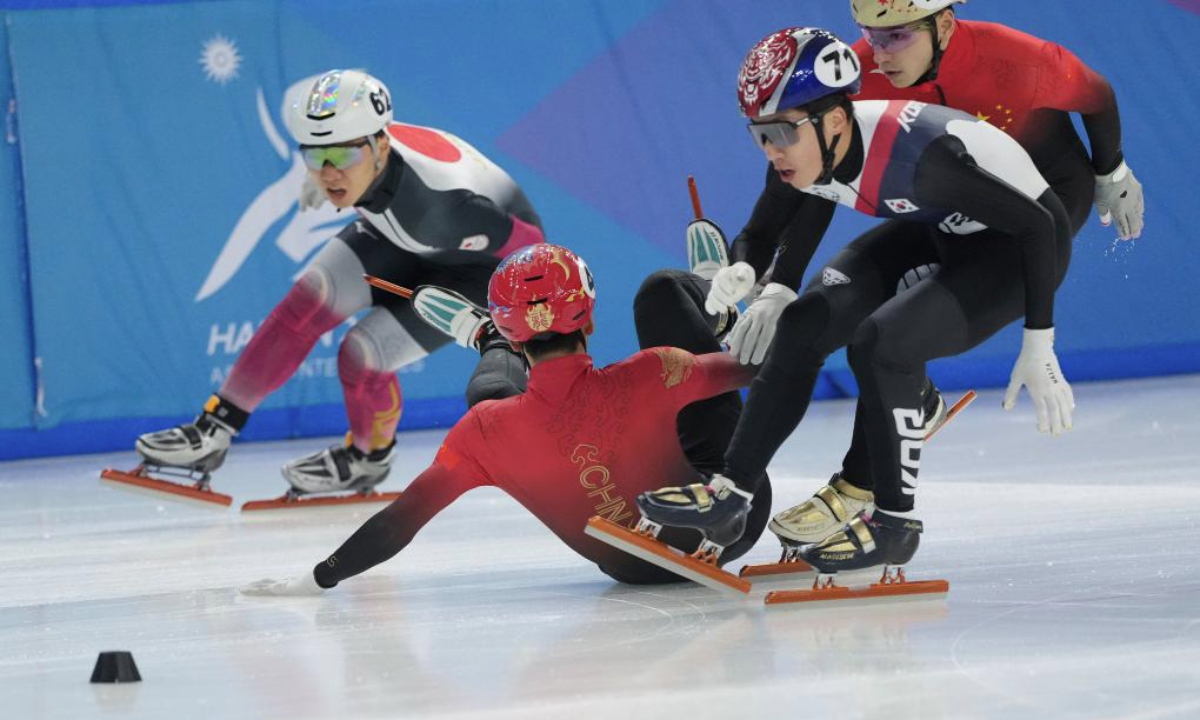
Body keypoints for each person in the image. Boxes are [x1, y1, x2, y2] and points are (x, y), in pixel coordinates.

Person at [699, 1, 1141, 556]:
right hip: (937, 209)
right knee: (814, 319)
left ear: (946, 24)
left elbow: (1096, 94)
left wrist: (1111, 170)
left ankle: (870, 492)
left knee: (884, 343)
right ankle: (733, 490)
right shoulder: (855, 71)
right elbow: (817, 175)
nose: (880, 54)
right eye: (870, 36)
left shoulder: (1015, 59)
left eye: (897, 36)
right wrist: (778, 285)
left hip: (1033, 214)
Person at [639, 27, 1074, 576]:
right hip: (940, 227)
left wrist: (1040, 343)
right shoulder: (811, 146)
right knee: (802, 323)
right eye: (758, 136)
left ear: (836, 123)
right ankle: (731, 497)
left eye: (778, 134)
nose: (771, 151)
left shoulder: (923, 158)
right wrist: (749, 272)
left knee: (881, 344)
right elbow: (762, 229)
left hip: (1014, 250)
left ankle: (894, 526)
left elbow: (1038, 227)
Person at [240, 243, 770, 595]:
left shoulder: (483, 433)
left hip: (627, 568)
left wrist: (318, 578)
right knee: (662, 291)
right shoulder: (652, 373)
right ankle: (715, 300)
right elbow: (768, 369)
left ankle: (487, 340)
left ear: (519, 335)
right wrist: (750, 319)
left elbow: (400, 520)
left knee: (491, 399)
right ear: (587, 315)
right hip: (728, 527)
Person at [133, 69, 544, 497]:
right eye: (316, 156)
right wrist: (337, 171)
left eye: (343, 157)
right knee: (309, 300)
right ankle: (215, 429)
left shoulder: (441, 208)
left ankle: (367, 459)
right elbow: (342, 162)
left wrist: (533, 327)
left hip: (479, 269)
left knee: (362, 355)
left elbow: (529, 246)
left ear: (380, 145)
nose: (328, 173)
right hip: (404, 235)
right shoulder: (369, 155)